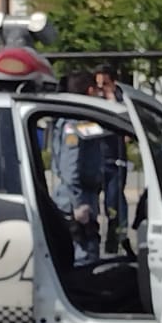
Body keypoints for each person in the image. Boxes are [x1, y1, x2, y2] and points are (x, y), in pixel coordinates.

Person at [51, 71, 106, 266]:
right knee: (84, 256)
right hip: (77, 199)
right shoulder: (76, 125)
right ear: (90, 91)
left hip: (80, 195)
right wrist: (78, 204)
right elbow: (70, 168)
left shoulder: (77, 121)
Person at [92, 64, 129, 254]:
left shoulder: (122, 99)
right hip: (98, 157)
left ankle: (118, 239)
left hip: (116, 158)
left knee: (113, 202)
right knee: (93, 202)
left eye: (104, 84)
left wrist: (112, 98)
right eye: (98, 84)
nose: (101, 88)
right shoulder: (93, 99)